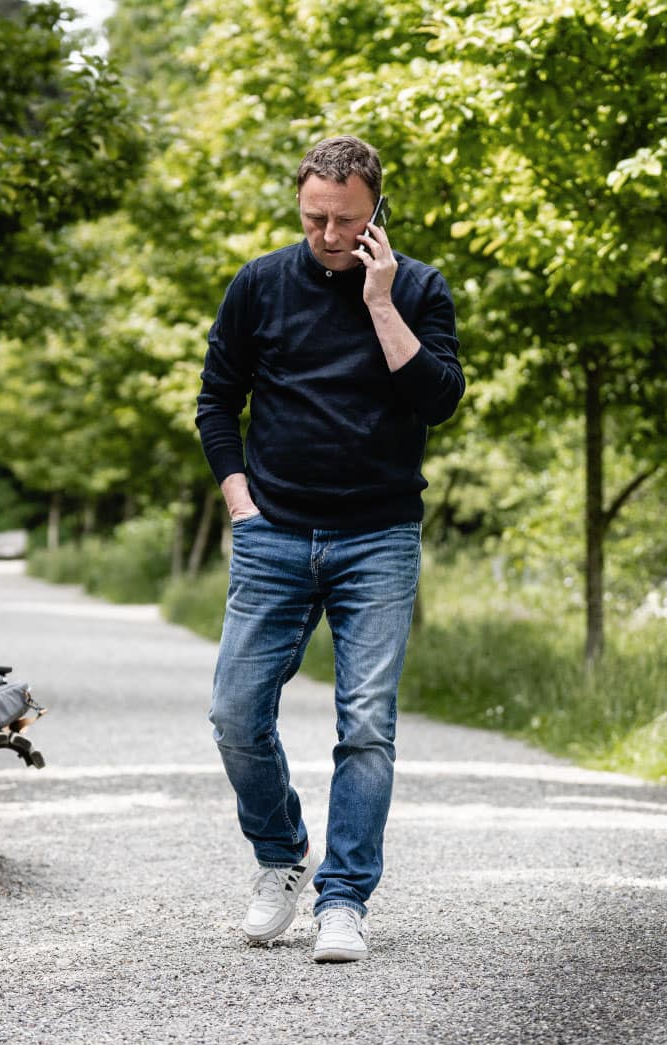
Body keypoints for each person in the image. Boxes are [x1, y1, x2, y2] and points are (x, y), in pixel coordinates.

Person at [195, 135, 464, 963]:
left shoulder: (418, 287)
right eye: (314, 216)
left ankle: (344, 899)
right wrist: (241, 504)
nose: (328, 233)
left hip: (378, 537)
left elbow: (439, 400)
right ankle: (281, 858)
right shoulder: (260, 284)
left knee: (367, 725)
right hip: (273, 533)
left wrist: (381, 302)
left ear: (375, 210)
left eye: (345, 220)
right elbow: (216, 403)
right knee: (235, 714)